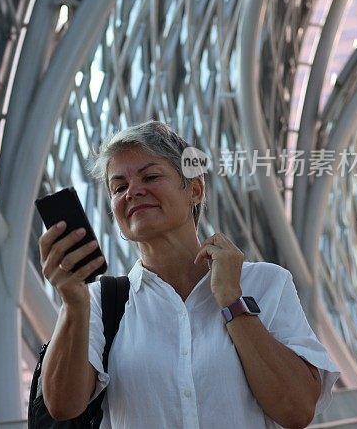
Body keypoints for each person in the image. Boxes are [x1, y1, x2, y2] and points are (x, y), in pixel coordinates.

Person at [38, 120, 340, 428]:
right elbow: (63, 406)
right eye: (119, 187)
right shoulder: (99, 302)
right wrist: (73, 305)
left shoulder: (266, 283)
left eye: (151, 176)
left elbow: (297, 409)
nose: (133, 192)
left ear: (194, 190)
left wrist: (232, 301)